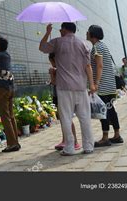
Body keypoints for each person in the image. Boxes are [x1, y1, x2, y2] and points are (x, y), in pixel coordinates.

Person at [39, 22, 96, 156]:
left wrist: (47, 32)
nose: (59, 30)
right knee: (84, 117)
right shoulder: (83, 44)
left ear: (65, 29)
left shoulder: (58, 42)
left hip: (64, 87)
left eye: (61, 28)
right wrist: (92, 85)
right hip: (81, 86)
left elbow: (42, 47)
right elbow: (88, 66)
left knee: (66, 118)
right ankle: (88, 146)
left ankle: (70, 147)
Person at [86, 25, 124, 147]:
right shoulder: (104, 46)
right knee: (111, 109)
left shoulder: (96, 47)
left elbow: (99, 65)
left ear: (92, 34)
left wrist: (96, 83)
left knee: (104, 111)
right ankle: (117, 135)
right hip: (111, 85)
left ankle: (105, 137)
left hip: (103, 86)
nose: (86, 33)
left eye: (88, 32)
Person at [48, 53, 81, 151]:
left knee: (67, 119)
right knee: (64, 119)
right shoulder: (63, 69)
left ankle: (74, 142)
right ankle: (65, 140)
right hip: (60, 96)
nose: (52, 64)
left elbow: (55, 82)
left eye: (52, 62)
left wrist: (51, 74)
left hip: (62, 97)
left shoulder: (60, 70)